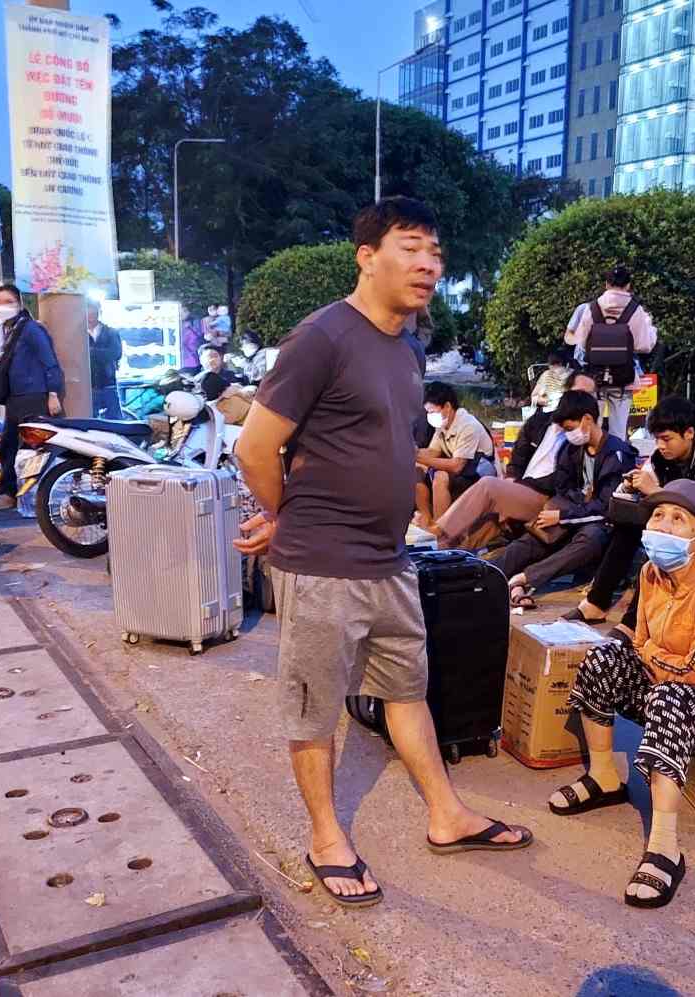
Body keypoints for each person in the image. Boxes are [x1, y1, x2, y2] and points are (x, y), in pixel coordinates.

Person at [231, 197, 531, 907]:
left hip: (392, 560)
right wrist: (287, 516)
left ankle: (446, 813)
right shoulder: (321, 338)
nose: (428, 264)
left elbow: (381, 444)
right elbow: (255, 447)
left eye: (436, 253)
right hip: (322, 565)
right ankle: (326, 835)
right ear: (366, 256)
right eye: (410, 247)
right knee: (315, 709)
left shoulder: (408, 348)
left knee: (407, 691)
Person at [549, 479, 695, 909]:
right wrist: (645, 652)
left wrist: (648, 652)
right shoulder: (652, 572)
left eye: (678, 519)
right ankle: (605, 777)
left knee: (670, 697)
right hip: (673, 685)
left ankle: (666, 846)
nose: (663, 526)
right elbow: (636, 643)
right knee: (602, 660)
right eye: (658, 515)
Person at [569, 395, 695, 623]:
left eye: (666, 439)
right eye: (657, 438)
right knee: (627, 529)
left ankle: (633, 623)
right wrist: (630, 484)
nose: (660, 446)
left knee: (660, 539)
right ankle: (597, 603)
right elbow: (645, 485)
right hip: (677, 523)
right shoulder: (661, 457)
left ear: (689, 433)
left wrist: (655, 490)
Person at [499, 390, 636, 607]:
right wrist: (566, 511)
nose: (568, 434)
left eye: (570, 428)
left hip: (601, 523)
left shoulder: (617, 454)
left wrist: (564, 515)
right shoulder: (571, 448)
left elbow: (605, 506)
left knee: (589, 539)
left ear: (588, 419)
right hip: (574, 512)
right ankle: (486, 574)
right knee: (535, 535)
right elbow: (563, 486)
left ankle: (526, 578)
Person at [433, 371, 599, 548]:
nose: (581, 400)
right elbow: (518, 456)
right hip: (522, 486)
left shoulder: (582, 436)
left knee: (489, 487)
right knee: (486, 523)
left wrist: (518, 487)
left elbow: (566, 481)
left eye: (587, 395)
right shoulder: (542, 421)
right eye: (577, 393)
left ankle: (439, 529)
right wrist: (512, 481)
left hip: (546, 497)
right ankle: (446, 555)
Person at [0, 284, 63, 511]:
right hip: (15, 397)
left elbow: (49, 361)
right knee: (9, 445)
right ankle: (9, 493)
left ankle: (24, 496)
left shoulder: (30, 329)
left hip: (33, 395)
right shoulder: (6, 329)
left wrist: (53, 393)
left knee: (29, 447)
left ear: (20, 304)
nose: (2, 306)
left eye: (8, 301)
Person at [566, 266, 657, 437]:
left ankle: (592, 463)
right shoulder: (635, 310)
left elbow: (581, 341)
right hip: (623, 377)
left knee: (592, 431)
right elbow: (644, 345)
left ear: (606, 284)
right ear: (628, 285)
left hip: (595, 378)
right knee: (618, 433)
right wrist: (650, 329)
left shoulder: (591, 308)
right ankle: (615, 461)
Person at [414, 381, 496, 526]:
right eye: (427, 412)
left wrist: (419, 457)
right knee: (416, 471)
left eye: (432, 412)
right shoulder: (442, 426)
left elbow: (457, 465)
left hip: (480, 471)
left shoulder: (468, 425)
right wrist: (411, 452)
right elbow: (433, 451)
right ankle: (427, 520)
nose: (429, 416)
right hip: (461, 467)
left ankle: (440, 529)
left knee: (440, 476)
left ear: (447, 406)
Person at [86, 301, 124, 419]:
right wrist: (101, 353)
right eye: (89, 312)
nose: (91, 315)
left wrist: (91, 352)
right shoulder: (79, 334)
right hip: (88, 385)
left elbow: (115, 353)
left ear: (99, 312)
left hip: (108, 383)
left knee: (115, 420)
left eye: (94, 312)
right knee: (91, 421)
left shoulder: (110, 332)